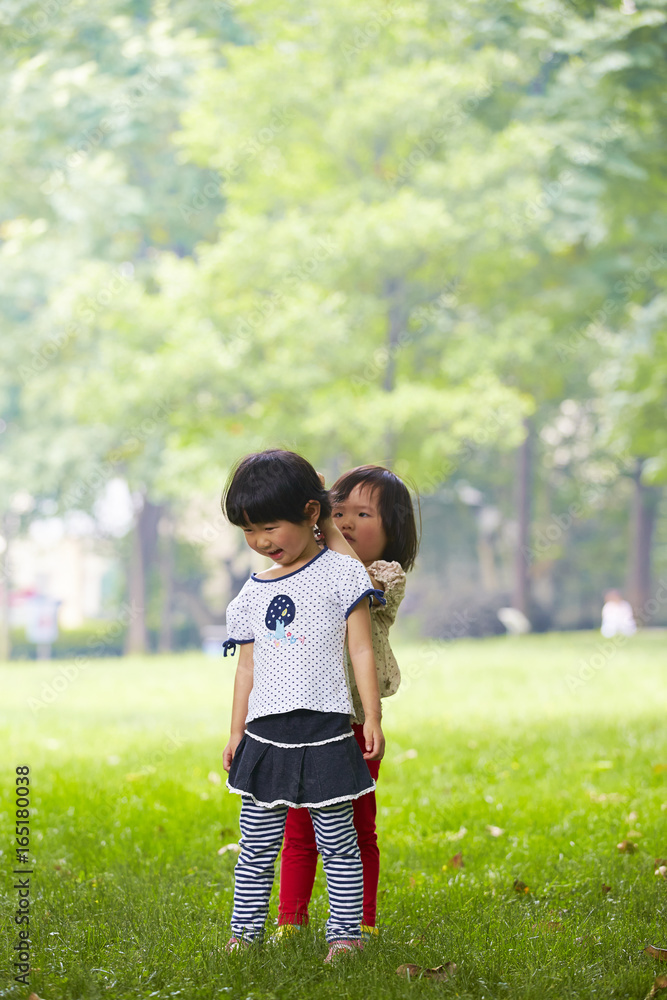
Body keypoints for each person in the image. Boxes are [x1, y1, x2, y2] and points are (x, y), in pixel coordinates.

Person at [220, 449, 386, 962]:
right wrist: (235, 732)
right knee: (255, 849)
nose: (261, 542)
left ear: (311, 514)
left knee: (339, 844)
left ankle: (345, 936)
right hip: (266, 739)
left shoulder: (341, 574)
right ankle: (243, 936)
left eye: (270, 527)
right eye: (249, 531)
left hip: (328, 732)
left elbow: (361, 648)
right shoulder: (250, 593)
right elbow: (245, 669)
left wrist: (373, 716)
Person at [277, 465, 419, 940]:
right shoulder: (307, 572)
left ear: (394, 529)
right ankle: (290, 919)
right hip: (304, 720)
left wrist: (326, 525)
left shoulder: (384, 576)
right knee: (298, 826)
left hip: (356, 722)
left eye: (363, 513)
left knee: (358, 826)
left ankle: (362, 920)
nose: (348, 522)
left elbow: (354, 582)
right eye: (339, 512)